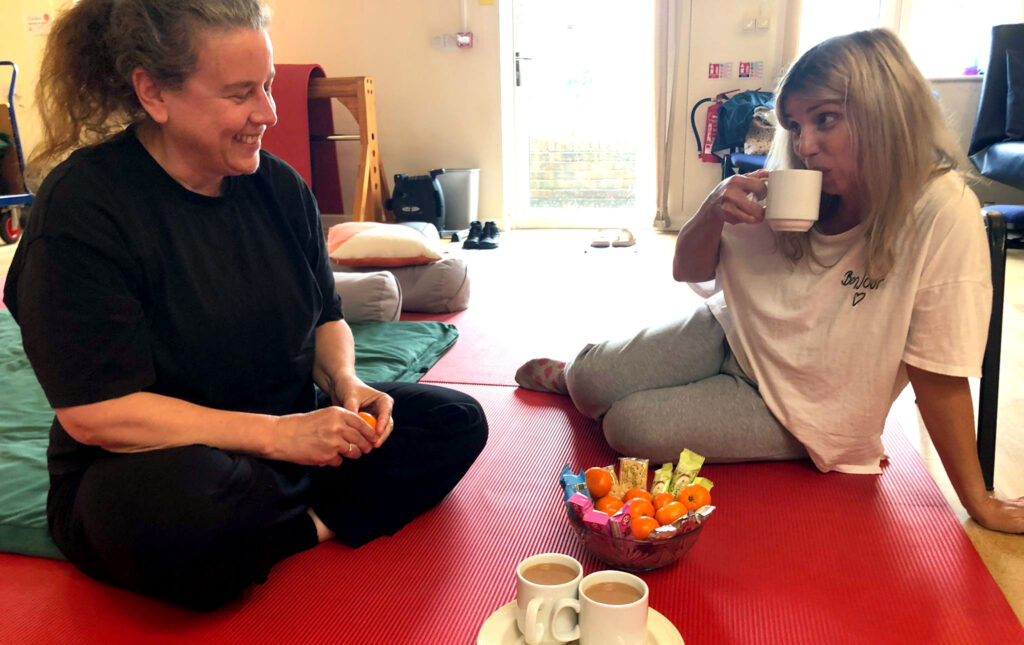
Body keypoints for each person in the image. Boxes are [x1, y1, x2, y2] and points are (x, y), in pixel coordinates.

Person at [4, 0, 487, 610]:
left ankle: (283, 530)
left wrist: (346, 385)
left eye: (267, 86)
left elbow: (327, 318)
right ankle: (291, 520)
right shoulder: (84, 208)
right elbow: (96, 415)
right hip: (155, 463)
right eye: (240, 94)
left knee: (454, 419)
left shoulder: (279, 187)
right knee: (189, 512)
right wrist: (277, 437)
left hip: (290, 441)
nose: (269, 112)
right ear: (154, 93)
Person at [516, 29, 1024, 534]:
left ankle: (669, 392)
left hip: (802, 407)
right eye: (795, 126)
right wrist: (711, 210)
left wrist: (978, 501)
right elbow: (688, 270)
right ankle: (583, 378)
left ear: (886, 111)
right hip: (733, 332)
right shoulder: (791, 185)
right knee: (590, 381)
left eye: (825, 119)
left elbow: (939, 374)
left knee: (629, 427)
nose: (805, 145)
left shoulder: (941, 210)